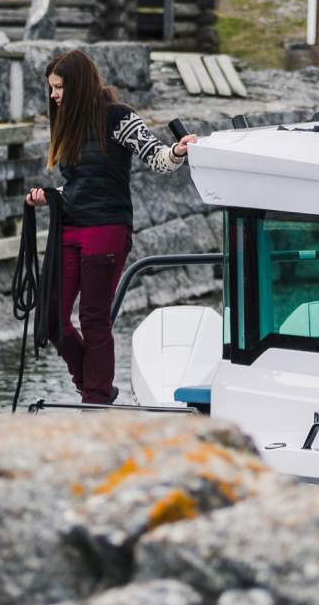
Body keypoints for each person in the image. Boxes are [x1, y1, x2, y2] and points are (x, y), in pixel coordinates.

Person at [20, 50, 195, 403]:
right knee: (52, 316)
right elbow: (79, 185)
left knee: (93, 317)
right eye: (51, 89)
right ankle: (92, 382)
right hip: (70, 227)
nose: (53, 96)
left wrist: (177, 150)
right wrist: (48, 196)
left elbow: (157, 159)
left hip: (107, 229)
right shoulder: (67, 122)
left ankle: (95, 397)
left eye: (58, 88)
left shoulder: (119, 118)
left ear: (79, 85)